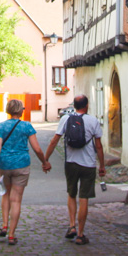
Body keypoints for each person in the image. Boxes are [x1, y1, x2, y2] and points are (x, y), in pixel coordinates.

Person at [42, 94, 104, 245]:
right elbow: (99, 146)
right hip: (88, 165)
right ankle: (81, 235)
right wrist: (102, 165)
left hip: (71, 162)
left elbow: (55, 140)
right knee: (84, 198)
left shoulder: (65, 119)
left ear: (74, 106)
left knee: (71, 194)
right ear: (86, 105)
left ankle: (72, 226)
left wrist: (46, 159)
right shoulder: (93, 121)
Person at [0, 98, 49, 245]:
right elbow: (36, 148)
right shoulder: (27, 126)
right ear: (21, 111)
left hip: (4, 165)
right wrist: (44, 162)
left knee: (5, 195)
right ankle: (11, 235)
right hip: (21, 165)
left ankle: (5, 225)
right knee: (16, 199)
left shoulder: (1, 126)